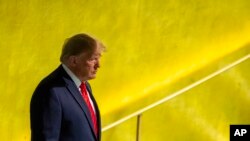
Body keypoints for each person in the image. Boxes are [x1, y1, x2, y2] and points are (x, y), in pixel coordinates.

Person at [30, 33, 105, 141]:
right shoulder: (51, 91)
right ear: (74, 60)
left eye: (99, 58)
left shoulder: (84, 85)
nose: (98, 65)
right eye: (93, 59)